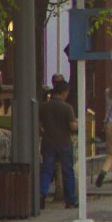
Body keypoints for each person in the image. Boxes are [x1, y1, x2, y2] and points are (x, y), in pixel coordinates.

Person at [37, 77, 77, 208]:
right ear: (64, 92)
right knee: (67, 172)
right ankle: (70, 201)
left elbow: (39, 125)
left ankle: (41, 195)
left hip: (48, 142)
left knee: (47, 170)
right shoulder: (67, 108)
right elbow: (72, 126)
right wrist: (78, 124)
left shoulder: (43, 107)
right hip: (64, 143)